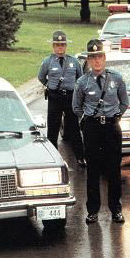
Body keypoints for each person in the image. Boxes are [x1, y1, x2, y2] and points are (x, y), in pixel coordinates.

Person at [72, 39, 129, 224]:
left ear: (104, 58)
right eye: (92, 57)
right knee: (93, 170)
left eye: (99, 57)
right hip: (92, 128)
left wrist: (114, 116)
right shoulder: (82, 82)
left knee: (114, 169)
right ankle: (93, 210)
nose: (96, 61)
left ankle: (116, 210)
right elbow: (76, 107)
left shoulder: (116, 78)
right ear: (88, 60)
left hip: (111, 128)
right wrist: (89, 119)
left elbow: (124, 102)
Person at [38, 30, 85, 166]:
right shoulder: (48, 61)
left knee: (74, 128)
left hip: (70, 97)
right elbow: (41, 77)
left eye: (63, 45)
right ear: (53, 46)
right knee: (53, 128)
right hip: (55, 97)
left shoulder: (73, 61)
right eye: (58, 45)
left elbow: (80, 78)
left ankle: (80, 157)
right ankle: (53, 158)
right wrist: (50, 86)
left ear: (66, 46)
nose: (60, 48)